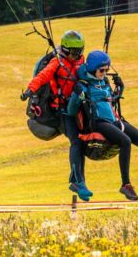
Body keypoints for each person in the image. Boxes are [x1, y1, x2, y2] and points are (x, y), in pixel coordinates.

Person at [68, 50, 138, 201]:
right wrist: (76, 95)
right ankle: (125, 185)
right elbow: (71, 110)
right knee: (125, 141)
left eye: (107, 70)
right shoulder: (84, 85)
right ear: (93, 69)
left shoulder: (104, 82)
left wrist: (120, 88)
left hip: (114, 119)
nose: (104, 73)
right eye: (102, 70)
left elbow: (111, 98)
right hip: (99, 122)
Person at [20, 30, 93, 201]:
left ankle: (78, 181)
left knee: (83, 141)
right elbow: (42, 76)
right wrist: (29, 90)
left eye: (80, 51)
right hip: (63, 111)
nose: (78, 56)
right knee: (76, 142)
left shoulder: (81, 60)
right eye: (75, 53)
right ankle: (77, 182)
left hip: (79, 106)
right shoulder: (57, 62)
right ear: (66, 51)